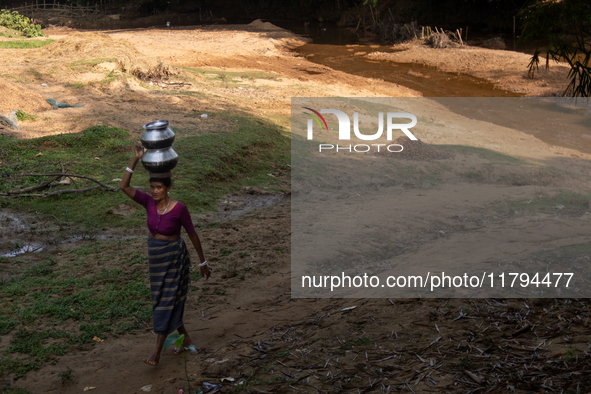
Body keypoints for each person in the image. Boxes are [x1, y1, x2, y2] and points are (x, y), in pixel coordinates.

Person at [119, 143, 212, 367]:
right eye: (152, 187)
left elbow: (192, 235)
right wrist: (135, 159)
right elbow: (123, 186)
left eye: (159, 187)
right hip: (156, 261)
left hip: (174, 259)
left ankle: (157, 353)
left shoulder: (180, 209)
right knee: (166, 300)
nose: (154, 191)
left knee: (165, 301)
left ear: (168, 188)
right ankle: (186, 338)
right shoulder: (148, 202)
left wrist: (203, 262)